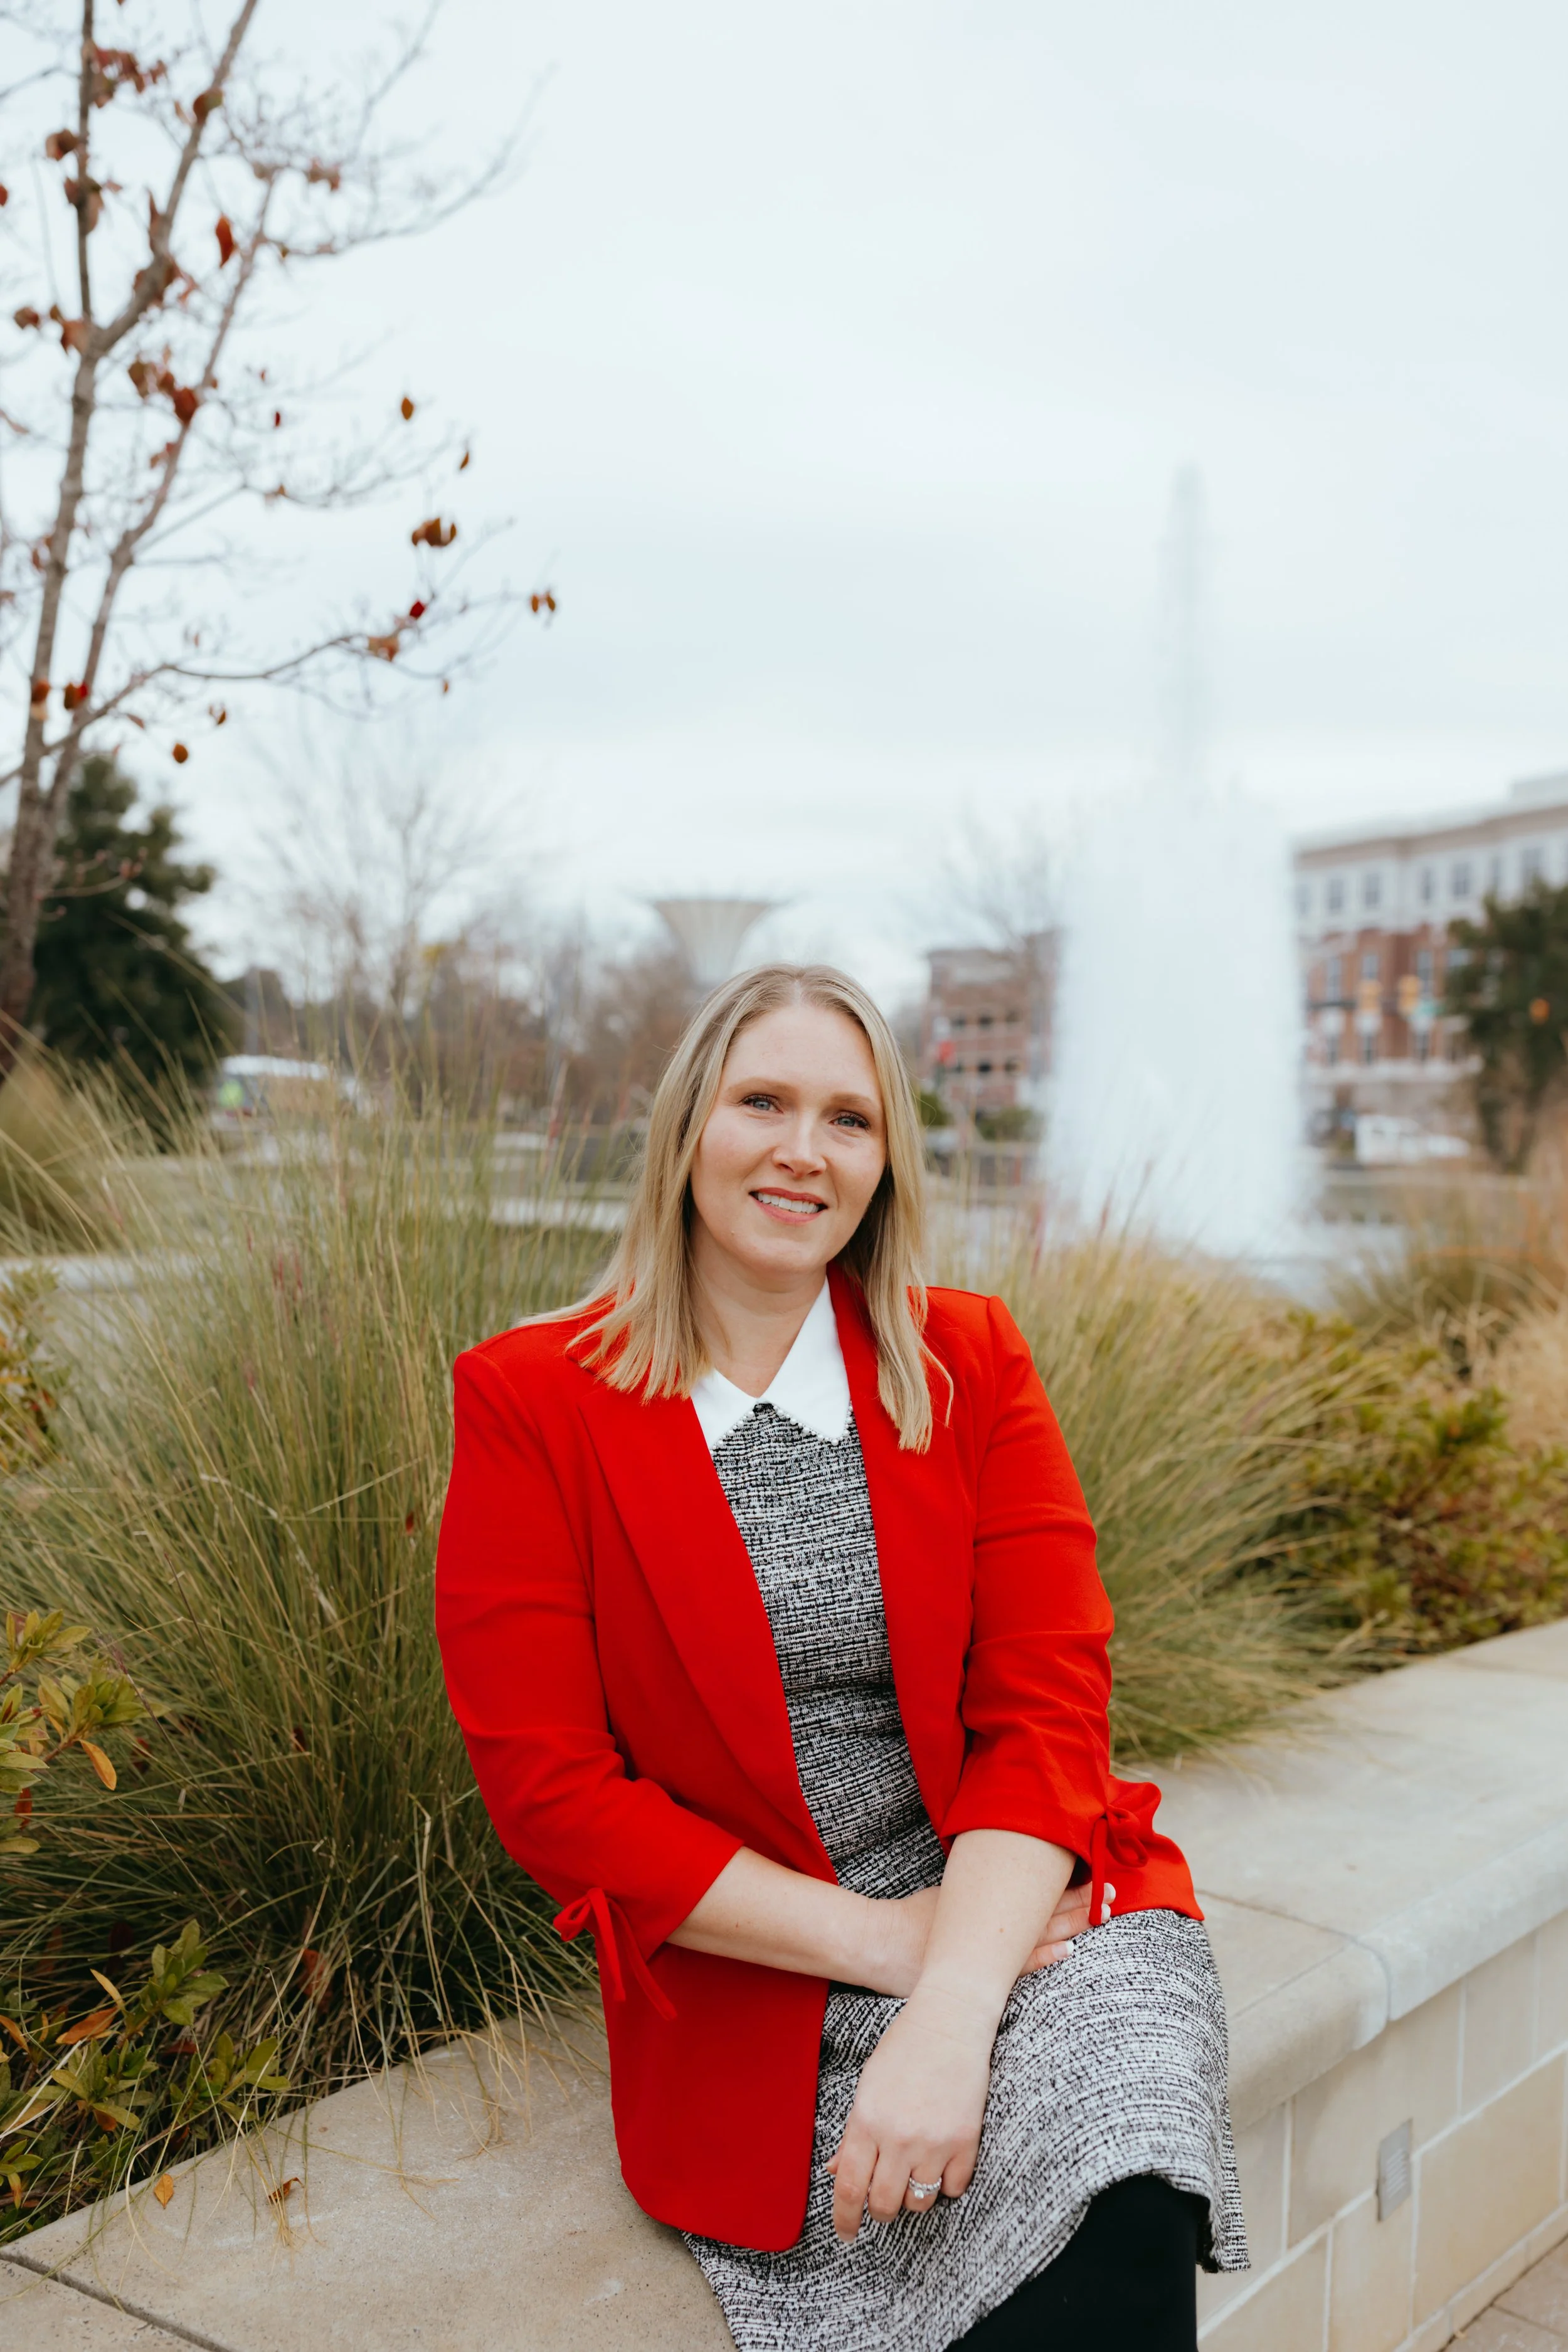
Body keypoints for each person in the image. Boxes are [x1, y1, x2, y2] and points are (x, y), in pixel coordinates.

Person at [435, 963, 1247, 2352]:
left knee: (1121, 2166)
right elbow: (552, 1794)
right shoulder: (534, 1400)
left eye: (848, 1119)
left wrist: (949, 2000)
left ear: (885, 1161)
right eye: (762, 1102)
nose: (802, 1151)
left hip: (1013, 1905)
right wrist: (879, 1945)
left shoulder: (965, 1361)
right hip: (760, 1961)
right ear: (690, 1125)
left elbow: (1045, 1712)